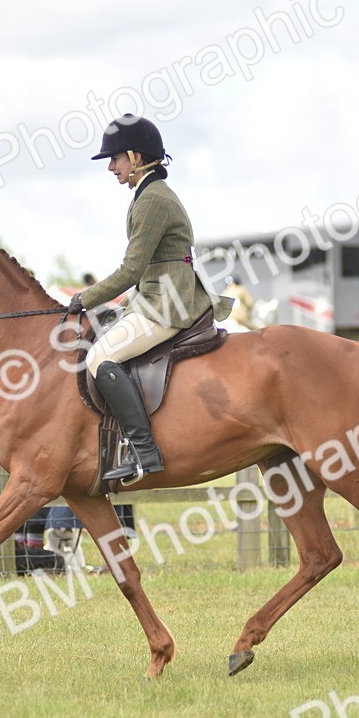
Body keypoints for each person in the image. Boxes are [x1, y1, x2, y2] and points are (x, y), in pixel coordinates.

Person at [66, 115, 232, 486]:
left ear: (136, 157)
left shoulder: (153, 199)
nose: (111, 168)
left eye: (115, 159)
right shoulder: (149, 194)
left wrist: (83, 298)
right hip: (154, 296)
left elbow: (131, 269)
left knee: (100, 357)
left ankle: (144, 449)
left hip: (167, 303)